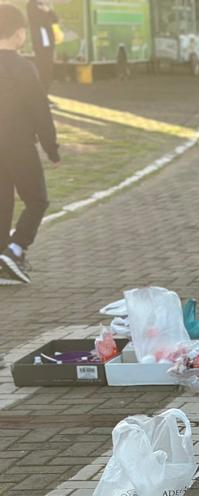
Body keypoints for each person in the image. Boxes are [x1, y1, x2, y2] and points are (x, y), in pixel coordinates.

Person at [0, 3, 58, 286]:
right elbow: (40, 111)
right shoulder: (24, 67)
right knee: (37, 199)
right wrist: (51, 148)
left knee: (1, 205)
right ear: (20, 34)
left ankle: (2, 259)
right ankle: (15, 248)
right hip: (19, 146)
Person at [25, 0, 56, 89]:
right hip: (39, 42)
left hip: (49, 42)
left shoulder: (45, 5)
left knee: (49, 66)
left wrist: (48, 10)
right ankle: (40, 89)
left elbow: (55, 19)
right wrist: (45, 12)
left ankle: (46, 90)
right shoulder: (31, 4)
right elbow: (40, 21)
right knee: (41, 66)